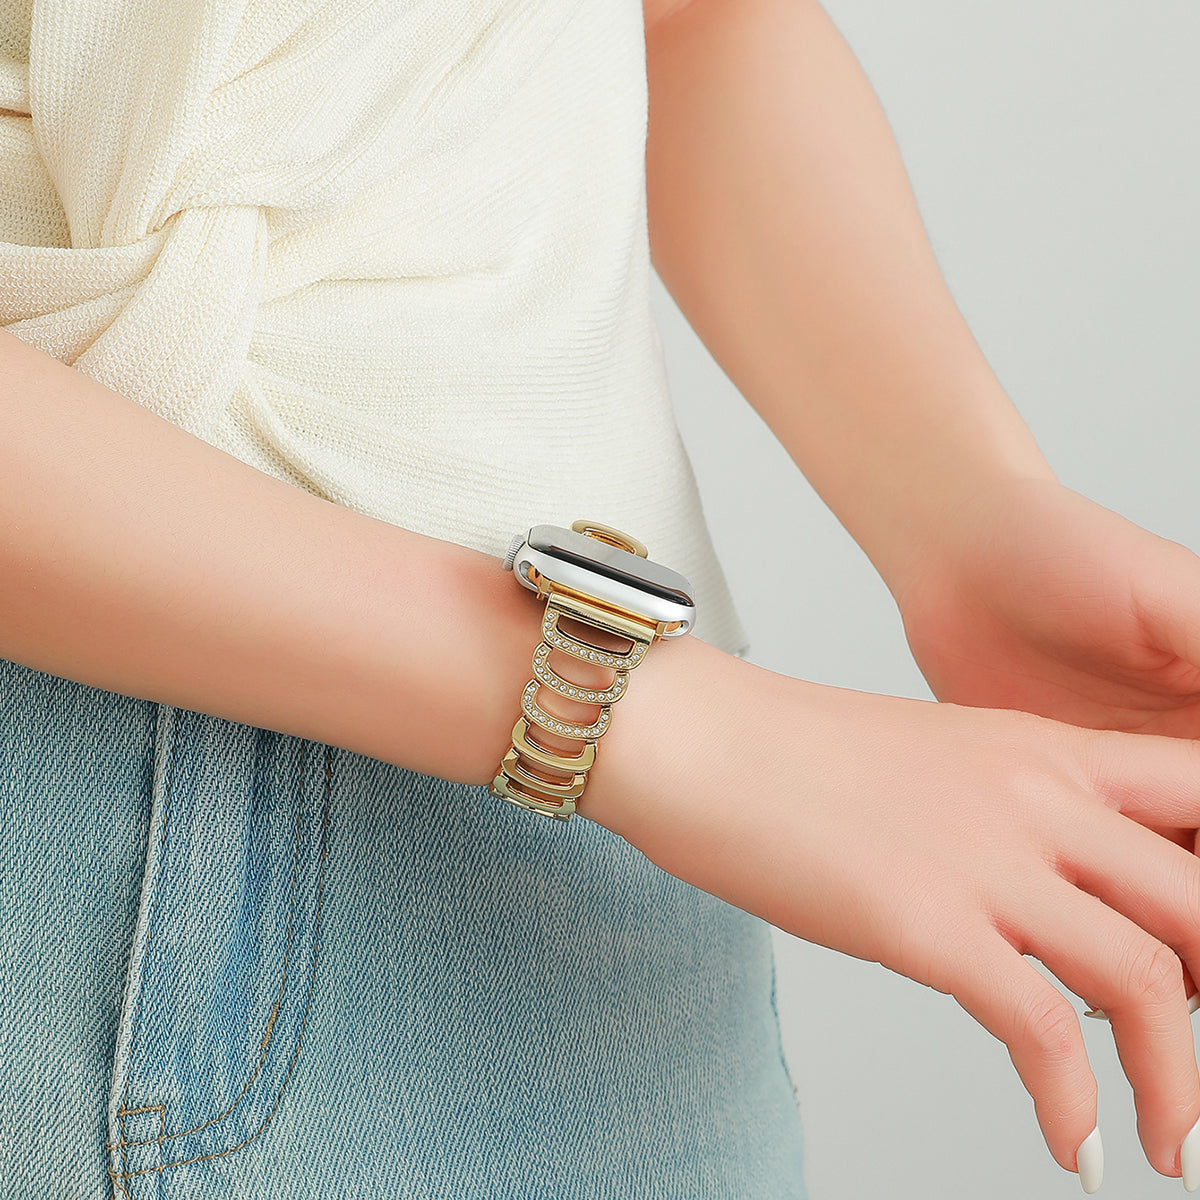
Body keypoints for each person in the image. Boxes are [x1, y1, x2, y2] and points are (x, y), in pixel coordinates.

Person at [2, 0, 1198, 1197]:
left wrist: (962, 514)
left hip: (628, 857)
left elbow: (689, 18)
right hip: (78, 790)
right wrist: (633, 714)